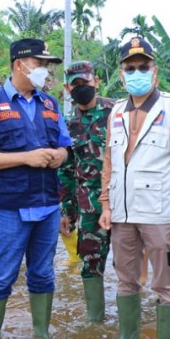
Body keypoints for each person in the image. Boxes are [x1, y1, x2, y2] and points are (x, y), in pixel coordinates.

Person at [0, 38, 71, 339]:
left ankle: (41, 337)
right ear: (19, 65)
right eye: (40, 65)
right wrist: (26, 157)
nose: (45, 72)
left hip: (48, 207)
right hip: (9, 209)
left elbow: (66, 147)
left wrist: (59, 156)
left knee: (43, 275)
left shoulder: (50, 105)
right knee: (1, 278)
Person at [98, 37, 170, 339]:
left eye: (143, 67)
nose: (136, 72)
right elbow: (109, 163)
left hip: (161, 215)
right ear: (122, 73)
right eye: (130, 67)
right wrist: (105, 205)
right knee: (125, 281)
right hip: (122, 214)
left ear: (155, 72)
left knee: (165, 283)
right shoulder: (115, 112)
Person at [58, 60, 114, 321]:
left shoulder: (117, 112)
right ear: (67, 88)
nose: (81, 88)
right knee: (91, 264)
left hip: (124, 201)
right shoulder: (68, 125)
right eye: (75, 84)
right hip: (88, 206)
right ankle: (96, 323)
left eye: (86, 82)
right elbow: (66, 170)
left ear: (97, 82)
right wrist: (67, 211)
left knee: (128, 264)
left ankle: (132, 325)